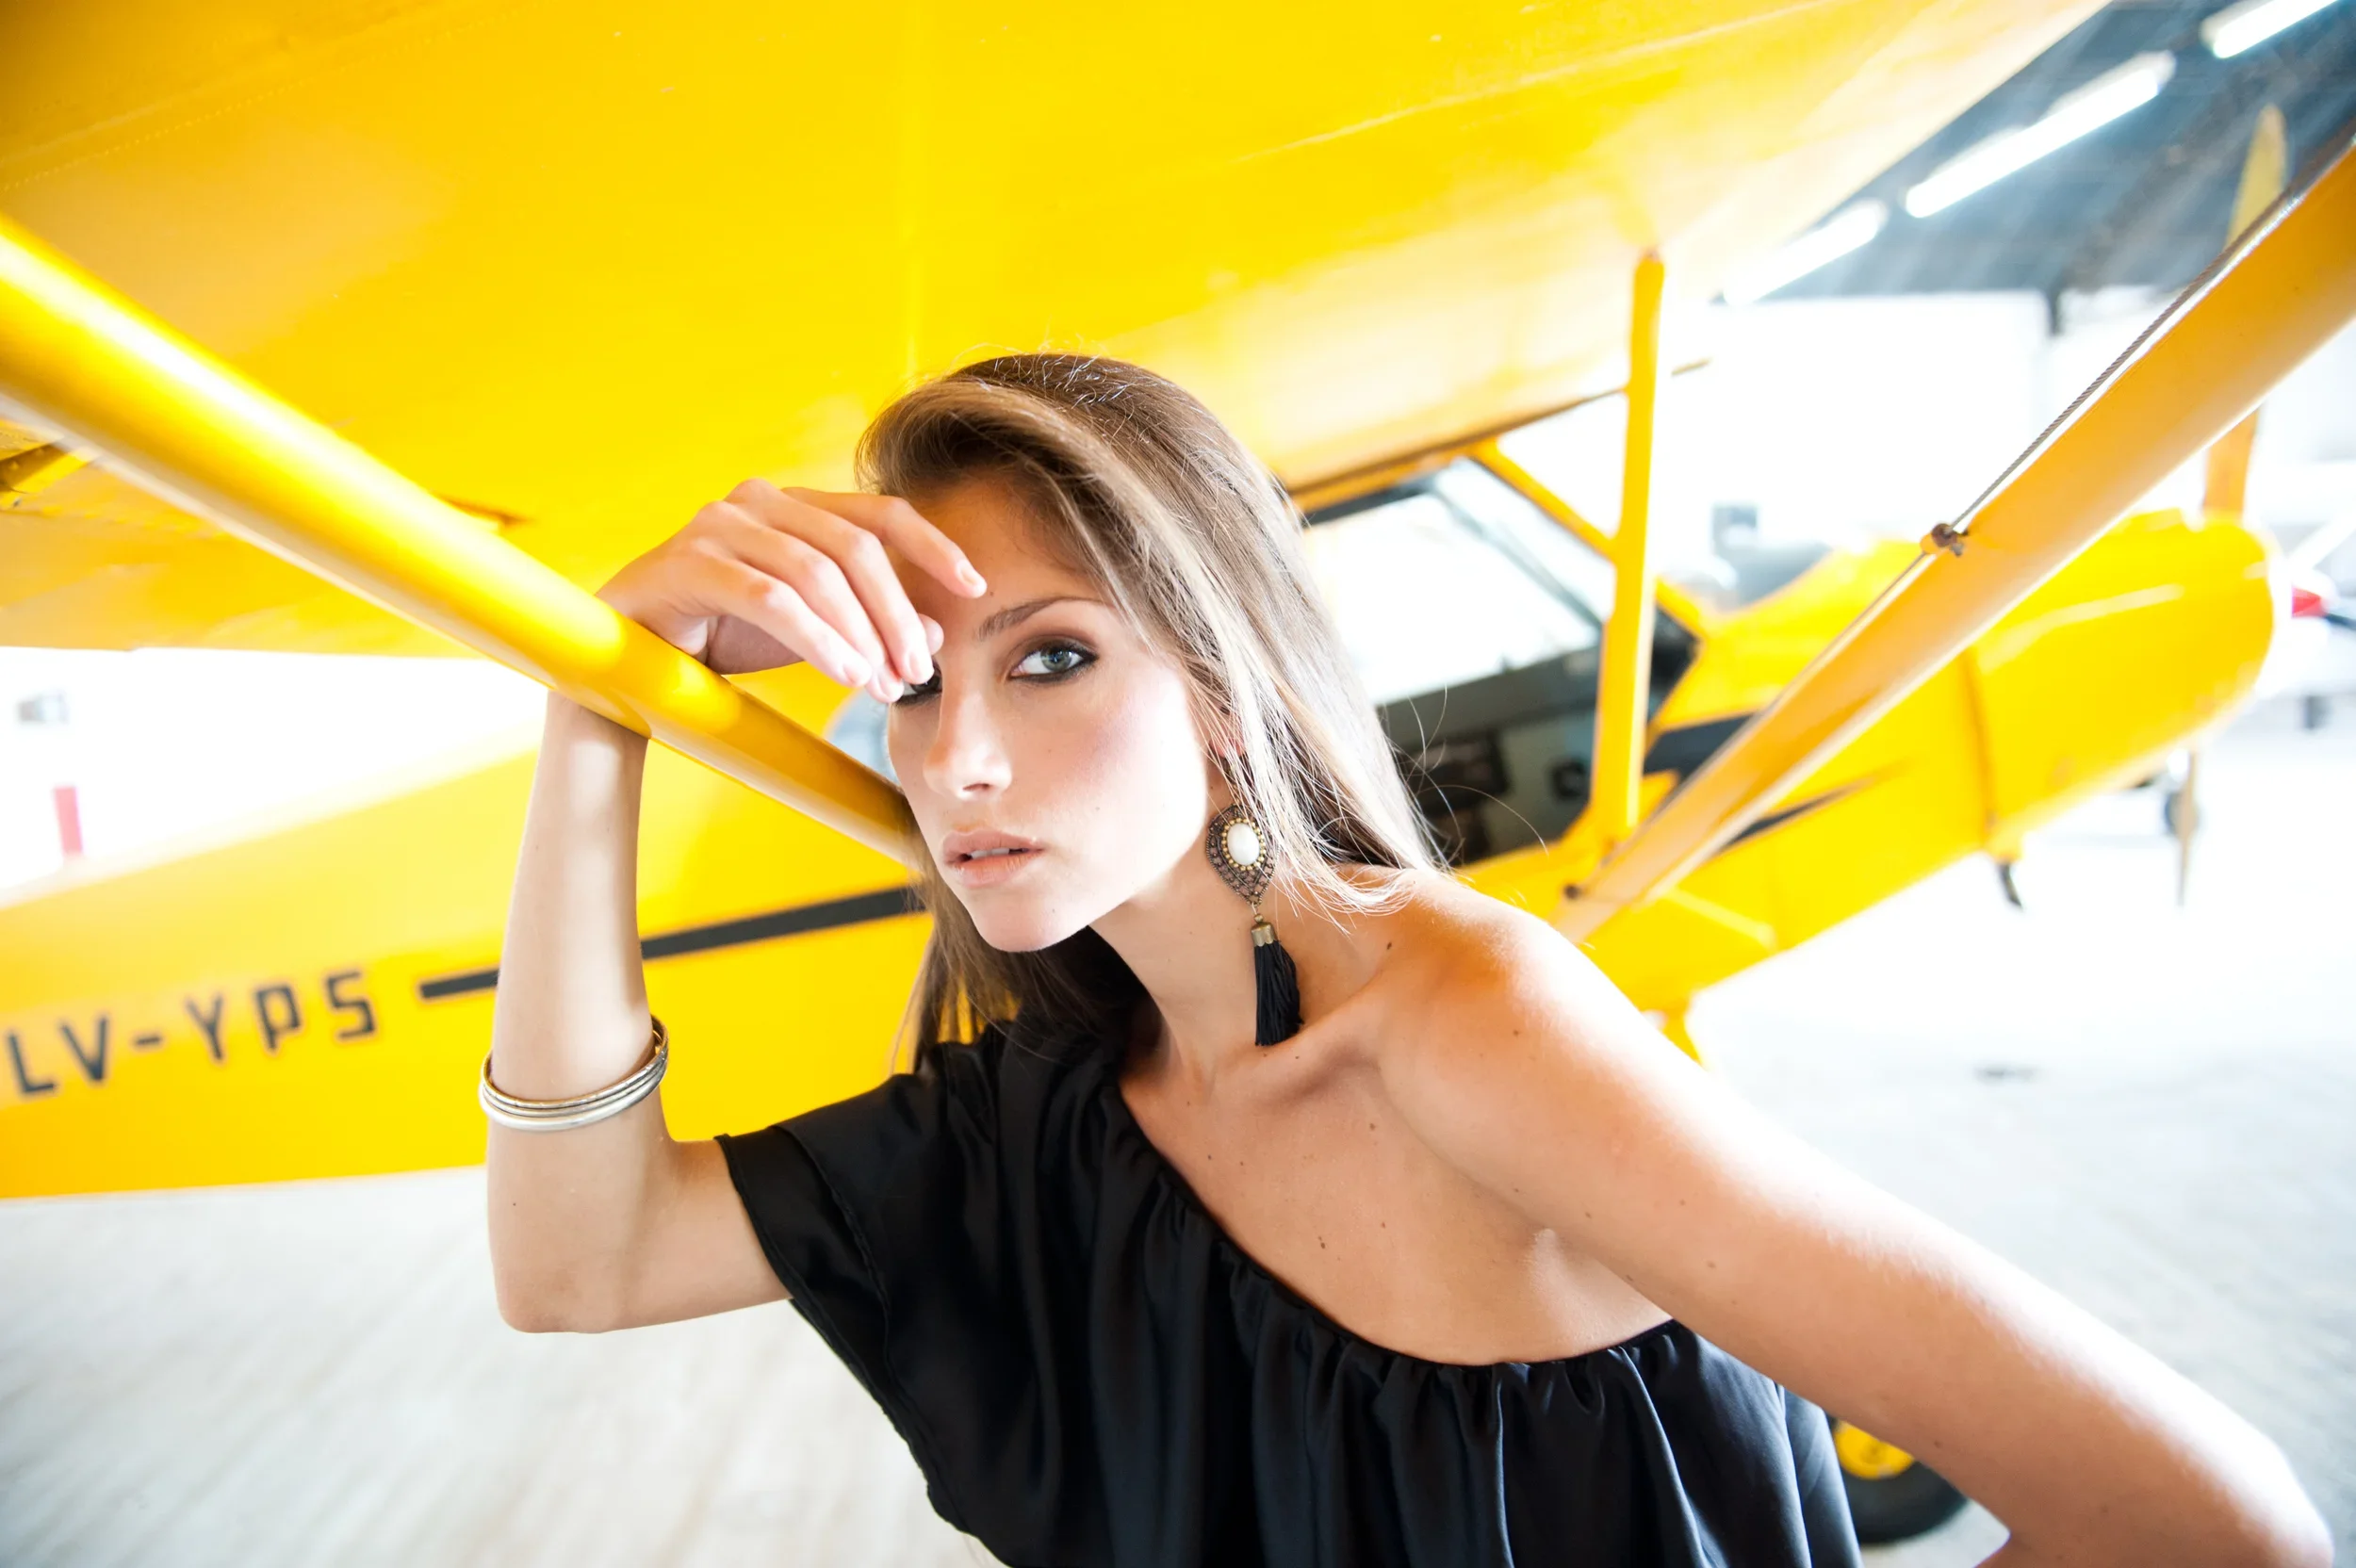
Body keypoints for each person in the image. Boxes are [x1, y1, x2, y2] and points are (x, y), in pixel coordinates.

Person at [483, 353, 2325, 1567]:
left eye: (1048, 657)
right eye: (910, 682)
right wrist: (600, 717)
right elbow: (580, 1260)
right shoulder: (1047, 1111)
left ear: (1220, 682)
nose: (952, 755)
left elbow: (2207, 1522)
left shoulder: (1465, 1022)